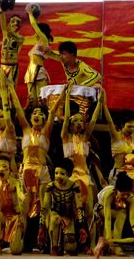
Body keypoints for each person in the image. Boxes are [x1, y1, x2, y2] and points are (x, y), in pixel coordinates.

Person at [7, 80, 66, 218]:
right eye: (35, 113)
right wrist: (11, 88)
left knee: (44, 207)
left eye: (40, 114)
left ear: (45, 119)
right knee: (24, 207)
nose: (37, 115)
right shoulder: (26, 130)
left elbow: (52, 112)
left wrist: (63, 94)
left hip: (42, 171)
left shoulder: (46, 131)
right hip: (26, 170)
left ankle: (43, 233)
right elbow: (18, 108)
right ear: (30, 117)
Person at [61, 83, 102, 216]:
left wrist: (100, 102)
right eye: (76, 121)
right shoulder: (65, 137)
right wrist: (67, 97)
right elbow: (66, 117)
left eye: (80, 120)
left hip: (85, 176)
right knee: (71, 212)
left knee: (89, 210)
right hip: (70, 177)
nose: (79, 123)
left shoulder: (85, 138)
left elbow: (94, 119)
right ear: (71, 124)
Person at [38, 159, 88, 255]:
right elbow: (45, 208)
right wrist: (41, 227)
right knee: (55, 219)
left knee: (71, 248)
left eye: (62, 174)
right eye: (56, 173)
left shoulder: (74, 187)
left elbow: (79, 208)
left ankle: (66, 242)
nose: (58, 176)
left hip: (69, 217)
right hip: (55, 214)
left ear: (68, 175)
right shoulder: (51, 186)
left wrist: (82, 227)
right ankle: (54, 246)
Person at [96, 172, 134, 256]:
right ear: (116, 190)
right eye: (123, 194)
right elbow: (107, 218)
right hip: (101, 209)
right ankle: (109, 245)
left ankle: (116, 246)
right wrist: (108, 238)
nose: (125, 196)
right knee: (120, 215)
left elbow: (133, 218)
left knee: (122, 214)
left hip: (117, 211)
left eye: (127, 194)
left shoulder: (131, 198)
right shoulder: (109, 195)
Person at [24, 4, 53, 108]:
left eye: (37, 32)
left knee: (42, 100)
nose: (35, 34)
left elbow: (34, 25)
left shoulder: (44, 41)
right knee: (32, 100)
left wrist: (30, 14)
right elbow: (35, 25)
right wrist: (35, 17)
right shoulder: (37, 45)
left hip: (38, 71)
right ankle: (33, 120)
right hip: (30, 72)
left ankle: (44, 120)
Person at [0, 0, 24, 85]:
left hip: (13, 67)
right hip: (2, 66)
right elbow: (3, 20)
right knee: (2, 94)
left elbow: (6, 28)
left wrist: (3, 7)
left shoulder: (20, 39)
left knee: (11, 92)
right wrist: (2, 8)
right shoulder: (5, 34)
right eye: (12, 21)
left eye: (17, 22)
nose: (14, 24)